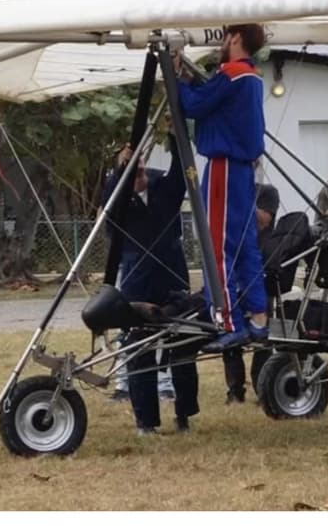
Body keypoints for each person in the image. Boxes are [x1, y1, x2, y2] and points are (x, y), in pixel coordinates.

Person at [174, 23, 269, 353]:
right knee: (244, 244)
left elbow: (195, 105)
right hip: (242, 170)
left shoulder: (231, 74)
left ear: (236, 38)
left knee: (217, 246)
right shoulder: (253, 77)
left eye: (227, 37)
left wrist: (176, 79)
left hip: (224, 166)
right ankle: (259, 316)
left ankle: (229, 321)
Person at [100, 137, 199, 434]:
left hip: (172, 279)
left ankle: (184, 415)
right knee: (138, 350)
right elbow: (110, 201)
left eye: (142, 170)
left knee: (182, 348)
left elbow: (181, 175)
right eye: (134, 173)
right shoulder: (119, 201)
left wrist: (174, 137)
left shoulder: (161, 189)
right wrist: (121, 169)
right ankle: (146, 422)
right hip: (137, 283)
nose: (141, 175)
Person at [222, 182, 281, 403]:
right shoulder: (234, 188)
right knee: (231, 334)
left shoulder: (267, 191)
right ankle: (235, 389)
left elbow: (264, 219)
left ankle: (262, 387)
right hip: (235, 273)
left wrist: (240, 208)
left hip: (260, 274)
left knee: (262, 337)